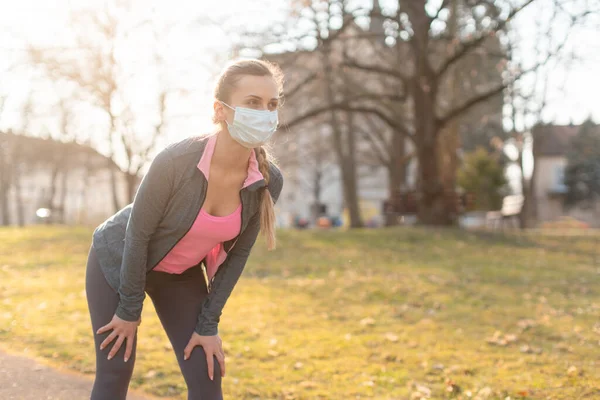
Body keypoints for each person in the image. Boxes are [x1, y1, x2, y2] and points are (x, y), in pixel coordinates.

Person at [85, 59, 285, 400]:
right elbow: (137, 235)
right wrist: (129, 310)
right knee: (115, 370)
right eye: (253, 102)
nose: (265, 113)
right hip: (119, 258)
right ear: (220, 110)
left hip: (178, 274)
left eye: (272, 104)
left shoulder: (267, 181)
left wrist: (208, 326)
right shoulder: (177, 160)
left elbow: (236, 259)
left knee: (207, 377)